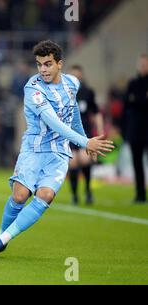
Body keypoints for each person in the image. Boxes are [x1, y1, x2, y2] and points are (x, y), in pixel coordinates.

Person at [0, 40, 114, 258]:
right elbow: (53, 122)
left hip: (59, 153)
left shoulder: (72, 84)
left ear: (60, 64)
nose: (43, 69)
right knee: (20, 195)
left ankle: (2, 240)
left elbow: (72, 115)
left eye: (48, 64)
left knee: (46, 194)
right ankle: (1, 236)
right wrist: (85, 142)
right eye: (40, 64)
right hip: (34, 149)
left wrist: (85, 139)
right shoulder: (33, 89)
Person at [67, 64, 104, 205]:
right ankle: (75, 195)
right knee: (73, 163)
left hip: (84, 132)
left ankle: (88, 191)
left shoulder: (88, 92)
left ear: (81, 76)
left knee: (84, 159)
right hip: (69, 134)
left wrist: (100, 132)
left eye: (77, 75)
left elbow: (96, 113)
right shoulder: (64, 93)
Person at [122, 54, 148, 203]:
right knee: (137, 164)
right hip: (135, 131)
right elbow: (127, 104)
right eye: (141, 64)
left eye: (145, 64)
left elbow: (133, 102)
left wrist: (136, 100)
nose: (143, 67)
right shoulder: (132, 83)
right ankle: (140, 195)